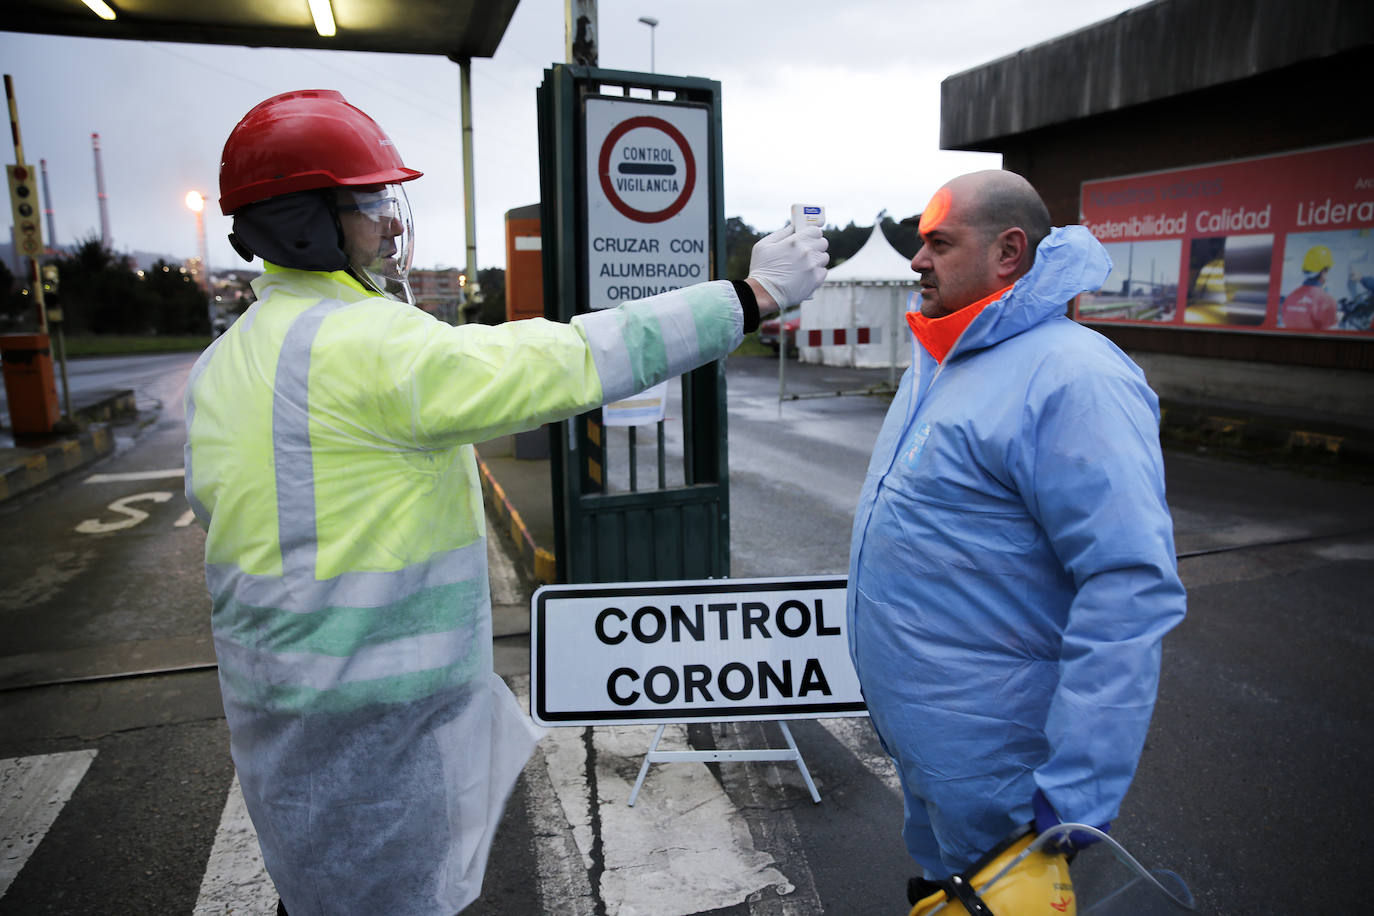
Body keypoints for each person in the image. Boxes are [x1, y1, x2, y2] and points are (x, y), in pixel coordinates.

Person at [184, 89, 828, 916]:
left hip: (281, 721)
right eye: (369, 199)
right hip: (380, 727)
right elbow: (567, 359)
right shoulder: (370, 347)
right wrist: (748, 298)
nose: (386, 218)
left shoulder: (223, 364)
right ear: (308, 221)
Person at [845, 170, 1187, 905]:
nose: (916, 260)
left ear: (1008, 252)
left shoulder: (1074, 378)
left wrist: (1069, 806)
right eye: (918, 243)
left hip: (1007, 778)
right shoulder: (944, 356)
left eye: (939, 242)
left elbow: (1128, 587)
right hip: (939, 755)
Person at [1280, 245, 1339, 330]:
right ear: (1324, 271)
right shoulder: (1327, 301)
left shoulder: (1290, 297)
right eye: (1328, 270)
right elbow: (1332, 335)